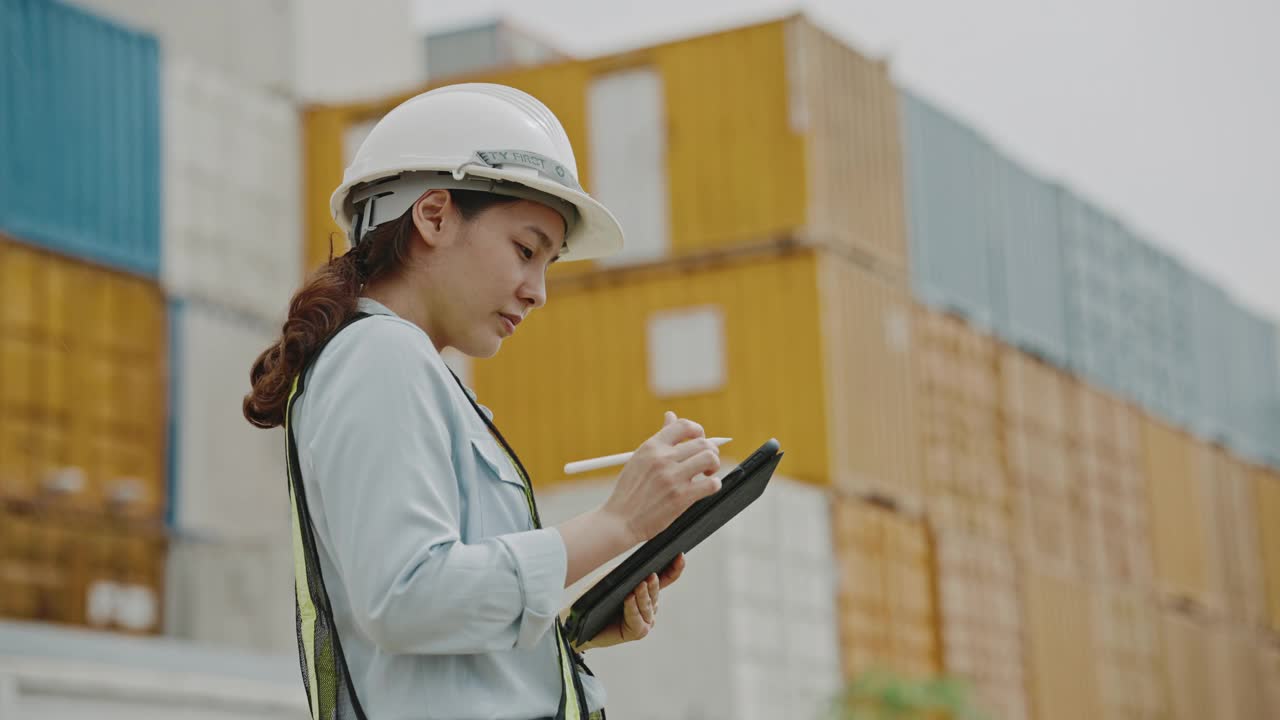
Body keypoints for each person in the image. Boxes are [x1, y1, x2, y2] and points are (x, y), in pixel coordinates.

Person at [242, 83, 724, 720]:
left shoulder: (407, 369)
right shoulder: (380, 356)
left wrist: (569, 630)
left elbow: (425, 640)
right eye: (526, 251)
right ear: (434, 217)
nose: (538, 291)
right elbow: (406, 598)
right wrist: (618, 523)